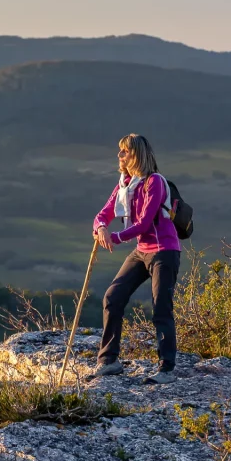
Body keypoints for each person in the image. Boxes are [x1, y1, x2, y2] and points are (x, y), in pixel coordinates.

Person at [89, 134, 181, 385]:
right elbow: (103, 214)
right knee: (113, 296)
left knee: (161, 306)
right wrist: (100, 229)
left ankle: (166, 367)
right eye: (120, 151)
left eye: (125, 151)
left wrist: (115, 237)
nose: (120, 156)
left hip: (164, 250)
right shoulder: (125, 184)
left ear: (137, 154)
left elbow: (143, 223)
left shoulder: (155, 183)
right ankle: (109, 361)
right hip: (142, 251)